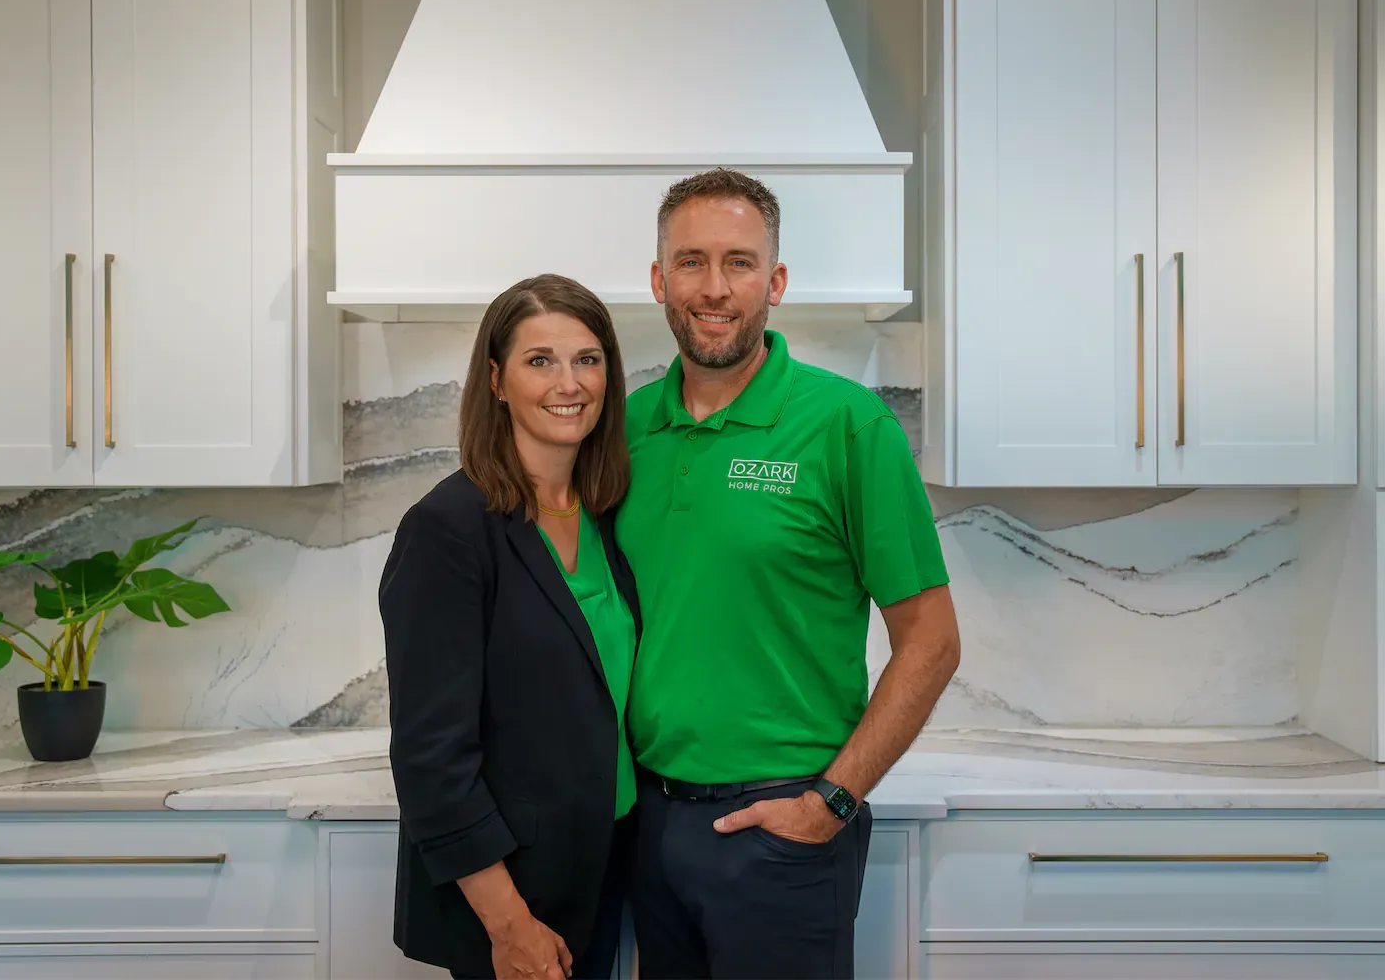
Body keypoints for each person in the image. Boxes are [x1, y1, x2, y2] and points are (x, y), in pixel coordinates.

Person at [620, 168, 962, 978]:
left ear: (773, 283)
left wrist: (830, 803)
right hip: (648, 820)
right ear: (659, 281)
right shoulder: (625, 429)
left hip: (783, 823)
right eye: (691, 261)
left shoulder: (847, 425)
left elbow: (932, 642)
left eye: (738, 263)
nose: (713, 287)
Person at [380, 274, 640, 980]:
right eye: (540, 360)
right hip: (513, 891)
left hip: (605, 863)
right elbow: (431, 757)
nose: (569, 383)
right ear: (496, 381)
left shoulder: (607, 515)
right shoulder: (448, 530)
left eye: (587, 359)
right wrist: (509, 922)